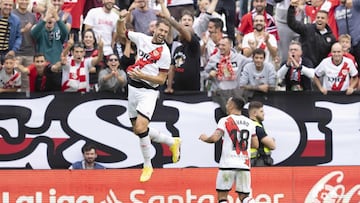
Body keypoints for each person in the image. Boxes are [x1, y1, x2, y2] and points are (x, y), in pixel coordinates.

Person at [117, 10, 181, 182]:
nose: (162, 34)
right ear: (154, 29)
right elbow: (121, 33)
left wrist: (142, 75)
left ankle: (147, 165)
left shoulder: (165, 53)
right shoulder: (142, 39)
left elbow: (161, 80)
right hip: (133, 89)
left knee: (140, 128)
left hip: (148, 92)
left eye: (165, 32)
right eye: (160, 30)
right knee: (137, 130)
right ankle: (171, 142)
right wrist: (121, 19)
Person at [199, 96, 258, 203]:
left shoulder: (225, 120)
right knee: (245, 197)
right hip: (244, 164)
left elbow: (214, 138)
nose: (226, 105)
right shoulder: (250, 123)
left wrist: (204, 138)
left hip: (228, 164)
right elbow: (256, 144)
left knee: (222, 197)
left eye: (227, 103)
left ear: (231, 105)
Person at [205, 37, 252, 113]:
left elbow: (253, 63)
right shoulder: (213, 59)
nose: (220, 47)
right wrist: (209, 75)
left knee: (236, 113)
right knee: (228, 112)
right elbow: (204, 73)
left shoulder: (239, 58)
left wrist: (252, 49)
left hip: (236, 92)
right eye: (219, 45)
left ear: (230, 46)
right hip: (221, 92)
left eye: (223, 45)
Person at [287, 0, 336, 67]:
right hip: (304, 67)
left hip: (320, 70)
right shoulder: (307, 29)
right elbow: (292, 23)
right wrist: (291, 8)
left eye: (322, 18)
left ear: (327, 20)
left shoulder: (331, 38)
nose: (320, 19)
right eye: (318, 17)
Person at [163, 10, 201, 93]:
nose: (183, 31)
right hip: (176, 88)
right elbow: (172, 68)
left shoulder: (194, 44)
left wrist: (167, 18)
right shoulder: (177, 49)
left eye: (189, 20)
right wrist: (169, 87)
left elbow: (181, 28)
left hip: (192, 90)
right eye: (184, 20)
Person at [13, 0, 37, 93]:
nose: (24, 2)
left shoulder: (32, 16)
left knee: (27, 83)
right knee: (15, 81)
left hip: (30, 52)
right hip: (16, 53)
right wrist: (23, 30)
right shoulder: (12, 14)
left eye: (26, 0)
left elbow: (36, 33)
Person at [248, 101, 276, 167]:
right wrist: (272, 140)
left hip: (251, 162)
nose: (264, 114)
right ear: (254, 113)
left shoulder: (248, 124)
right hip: (258, 161)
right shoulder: (257, 127)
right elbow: (272, 146)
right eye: (261, 111)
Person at [0, 0, 22, 64]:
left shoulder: (16, 20)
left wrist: (13, 50)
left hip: (7, 54)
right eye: (5, 4)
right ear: (0, 4)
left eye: (10, 5)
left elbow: (19, 37)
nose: (8, 7)